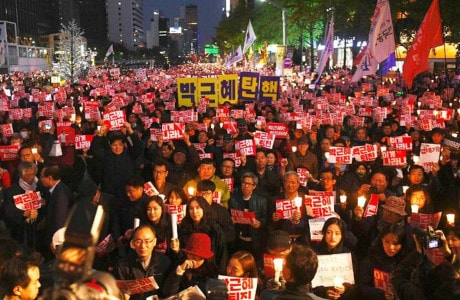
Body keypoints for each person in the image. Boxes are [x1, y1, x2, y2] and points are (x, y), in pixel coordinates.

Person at [113, 224, 172, 300]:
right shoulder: (123, 265)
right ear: (133, 243)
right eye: (138, 241)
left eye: (147, 241)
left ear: (154, 242)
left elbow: (169, 291)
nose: (143, 246)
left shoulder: (164, 261)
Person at [174, 196, 228, 273]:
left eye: (198, 208)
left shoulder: (215, 229)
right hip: (189, 269)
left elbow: (222, 253)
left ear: (204, 209)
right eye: (191, 208)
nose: (194, 211)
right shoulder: (184, 227)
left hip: (210, 270)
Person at [358, 223, 409, 299]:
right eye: (387, 242)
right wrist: (381, 294)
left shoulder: (408, 263)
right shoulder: (371, 260)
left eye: (395, 243)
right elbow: (362, 286)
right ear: (381, 240)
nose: (391, 247)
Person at [312, 218, 357, 300]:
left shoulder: (348, 254)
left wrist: (344, 289)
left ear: (342, 235)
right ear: (324, 233)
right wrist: (324, 292)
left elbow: (354, 282)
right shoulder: (314, 253)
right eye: (329, 232)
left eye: (337, 233)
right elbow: (310, 281)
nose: (333, 237)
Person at [163, 232, 219, 297]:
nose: (193, 260)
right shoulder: (181, 265)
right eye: (190, 255)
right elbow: (168, 293)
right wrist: (179, 272)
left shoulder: (213, 274)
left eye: (198, 258)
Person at [229, 172, 267, 261]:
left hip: (255, 239)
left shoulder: (262, 200)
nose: (246, 186)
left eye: (249, 184)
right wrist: (231, 221)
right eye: (244, 183)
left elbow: (266, 219)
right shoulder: (234, 199)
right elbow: (229, 217)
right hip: (238, 238)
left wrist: (259, 223)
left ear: (254, 186)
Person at [3, 162, 41, 249]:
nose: (31, 177)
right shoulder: (11, 190)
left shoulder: (40, 186)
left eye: (32, 174)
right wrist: (24, 213)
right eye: (27, 175)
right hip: (20, 231)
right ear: (21, 175)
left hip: (38, 228)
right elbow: (7, 210)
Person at [39, 165, 73, 260]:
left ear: (49, 178)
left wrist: (55, 241)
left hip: (56, 238)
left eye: (42, 176)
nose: (40, 179)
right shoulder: (56, 189)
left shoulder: (61, 194)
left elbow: (60, 219)